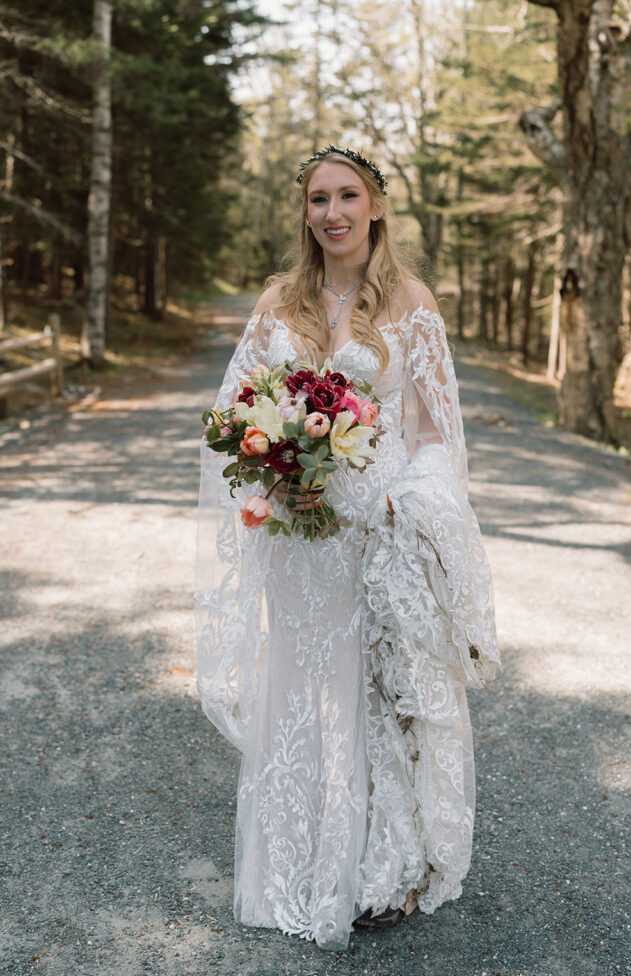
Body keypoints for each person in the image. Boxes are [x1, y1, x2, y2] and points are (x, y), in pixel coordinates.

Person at [194, 145, 501, 951]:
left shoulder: (408, 301)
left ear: (375, 206)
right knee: (302, 690)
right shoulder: (276, 302)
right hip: (299, 540)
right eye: (318, 199)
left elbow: (438, 435)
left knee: (374, 694)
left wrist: (406, 498)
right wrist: (268, 462)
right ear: (303, 212)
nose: (332, 213)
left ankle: (383, 870)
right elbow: (233, 417)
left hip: (375, 532)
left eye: (347, 196)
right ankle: (291, 862)